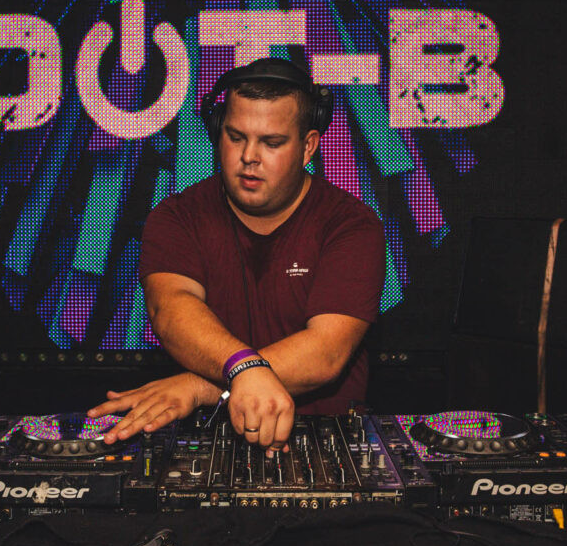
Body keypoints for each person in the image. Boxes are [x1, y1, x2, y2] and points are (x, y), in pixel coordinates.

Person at [91, 58, 384, 455]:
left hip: (322, 440)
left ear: (308, 147)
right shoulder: (177, 216)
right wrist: (243, 372)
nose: (249, 156)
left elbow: (326, 352)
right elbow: (171, 309)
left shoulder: (351, 224)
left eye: (272, 143)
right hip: (206, 441)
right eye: (235, 137)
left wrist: (199, 386)